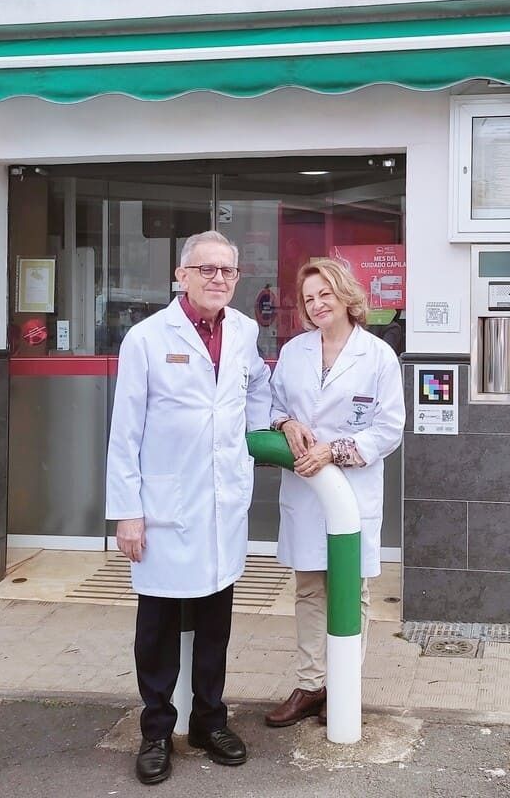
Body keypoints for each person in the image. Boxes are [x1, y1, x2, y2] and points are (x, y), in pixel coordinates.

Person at [106, 230, 271, 784]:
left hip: (222, 502)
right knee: (156, 626)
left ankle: (209, 720)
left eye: (228, 271)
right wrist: (127, 511)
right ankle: (156, 731)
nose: (218, 279)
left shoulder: (245, 331)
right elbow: (124, 433)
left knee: (215, 622)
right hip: (163, 505)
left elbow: (258, 391)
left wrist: (268, 429)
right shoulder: (148, 338)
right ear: (181, 275)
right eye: (207, 269)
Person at [264, 258, 405, 728]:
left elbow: (389, 428)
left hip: (352, 486)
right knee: (308, 588)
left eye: (325, 294)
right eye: (308, 299)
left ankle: (343, 684)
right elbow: (275, 403)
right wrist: (287, 422)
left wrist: (335, 451)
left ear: (346, 295)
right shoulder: (294, 352)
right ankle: (310, 684)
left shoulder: (378, 356)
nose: (317, 304)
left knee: (351, 588)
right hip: (306, 489)